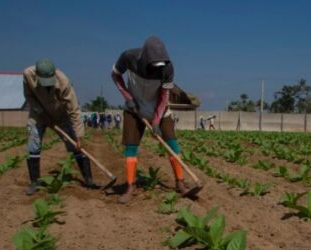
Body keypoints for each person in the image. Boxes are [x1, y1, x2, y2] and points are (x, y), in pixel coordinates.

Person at [111, 35, 191, 203]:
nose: (158, 67)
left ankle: (180, 182)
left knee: (172, 145)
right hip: (134, 110)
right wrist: (127, 97)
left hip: (160, 111)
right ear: (146, 57)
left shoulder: (167, 69)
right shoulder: (128, 57)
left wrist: (156, 120)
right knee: (131, 148)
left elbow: (164, 97)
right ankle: (130, 186)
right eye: (155, 64)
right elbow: (115, 75)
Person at [23, 58, 97, 195]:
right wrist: (41, 112)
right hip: (38, 114)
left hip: (60, 115)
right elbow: (29, 96)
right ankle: (34, 182)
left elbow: (74, 110)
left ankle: (88, 179)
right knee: (33, 145)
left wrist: (79, 136)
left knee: (75, 145)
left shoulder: (64, 82)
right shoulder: (28, 74)